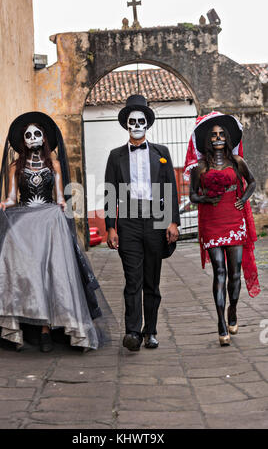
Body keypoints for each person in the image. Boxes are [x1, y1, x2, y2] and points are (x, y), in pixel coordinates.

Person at [0, 112, 112, 352]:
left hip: (48, 223)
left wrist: (63, 204)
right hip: (24, 226)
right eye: (28, 135)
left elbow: (58, 196)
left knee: (50, 274)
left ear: (44, 138)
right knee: (21, 274)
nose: (33, 138)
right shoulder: (16, 166)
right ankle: (15, 328)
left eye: (37, 134)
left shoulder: (53, 164)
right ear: (23, 141)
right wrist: (5, 204)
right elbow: (13, 197)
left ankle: (47, 330)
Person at [104, 95, 180, 352]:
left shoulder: (162, 153)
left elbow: (170, 188)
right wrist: (110, 227)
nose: (136, 125)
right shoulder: (115, 156)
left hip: (157, 219)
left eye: (141, 121)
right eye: (132, 121)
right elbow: (110, 193)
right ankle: (133, 332)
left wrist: (173, 221)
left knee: (152, 281)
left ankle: (151, 332)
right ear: (126, 124)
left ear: (147, 124)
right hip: (128, 221)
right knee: (132, 280)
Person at [184, 112, 261, 346]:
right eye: (213, 135)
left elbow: (253, 182)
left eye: (221, 134)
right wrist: (207, 199)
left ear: (227, 138)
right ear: (207, 140)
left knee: (234, 273)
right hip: (212, 222)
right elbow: (193, 196)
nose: (217, 138)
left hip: (234, 220)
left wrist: (244, 199)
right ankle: (220, 324)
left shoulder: (237, 162)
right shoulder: (200, 167)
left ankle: (233, 311)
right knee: (219, 272)